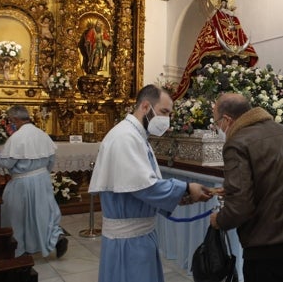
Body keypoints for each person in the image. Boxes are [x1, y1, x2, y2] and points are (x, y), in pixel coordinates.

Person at [89, 84, 213, 282]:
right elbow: (145, 187)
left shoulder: (136, 136)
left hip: (138, 236)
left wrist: (181, 197)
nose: (167, 120)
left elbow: (138, 186)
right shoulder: (125, 137)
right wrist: (186, 188)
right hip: (128, 243)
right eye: (164, 112)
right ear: (145, 107)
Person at [209, 93, 283, 282]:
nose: (219, 128)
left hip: (268, 250)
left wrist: (219, 220)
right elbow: (281, 181)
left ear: (227, 119)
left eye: (217, 122)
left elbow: (240, 207)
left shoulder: (237, 142)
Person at [0, 105, 68, 258]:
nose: (11, 124)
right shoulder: (42, 134)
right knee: (44, 213)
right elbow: (51, 160)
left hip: (22, 183)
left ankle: (20, 247)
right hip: (42, 179)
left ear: (16, 120)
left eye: (11, 121)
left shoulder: (17, 138)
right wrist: (41, 174)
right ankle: (56, 237)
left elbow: (8, 163)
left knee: (18, 215)